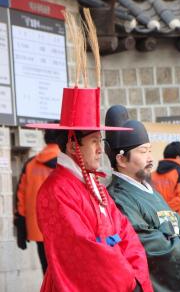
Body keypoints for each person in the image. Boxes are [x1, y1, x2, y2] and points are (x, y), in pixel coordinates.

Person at [26, 88, 153, 292]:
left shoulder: (94, 185)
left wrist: (136, 276)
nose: (100, 149)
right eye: (94, 141)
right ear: (72, 145)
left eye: (99, 141)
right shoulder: (56, 191)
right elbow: (83, 251)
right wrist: (128, 280)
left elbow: (125, 232)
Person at [105, 105, 180, 292]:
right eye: (142, 151)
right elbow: (149, 246)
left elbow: (174, 220)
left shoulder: (148, 188)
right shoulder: (118, 197)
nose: (150, 158)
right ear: (121, 160)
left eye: (149, 150)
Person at [14, 128, 60, 274]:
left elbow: (20, 198)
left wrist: (21, 227)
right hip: (63, 230)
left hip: (38, 230)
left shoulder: (31, 164)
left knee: (47, 273)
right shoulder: (67, 164)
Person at [151, 141, 180, 215]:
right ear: (178, 158)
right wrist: (164, 212)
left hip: (155, 220)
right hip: (176, 220)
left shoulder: (151, 175)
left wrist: (159, 213)